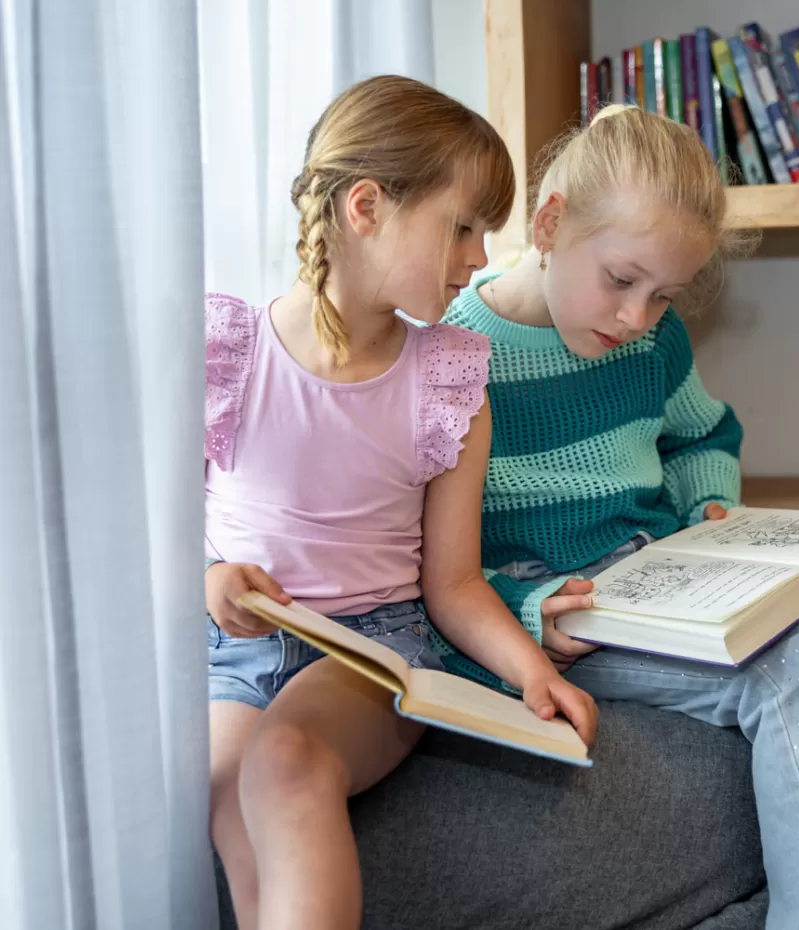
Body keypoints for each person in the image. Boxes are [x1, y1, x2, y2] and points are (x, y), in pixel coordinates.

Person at [442, 104, 799, 930]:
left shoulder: (654, 343)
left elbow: (703, 433)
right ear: (549, 223)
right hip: (576, 616)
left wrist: (711, 504)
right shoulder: (450, 355)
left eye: (664, 296)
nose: (635, 319)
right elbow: (427, 565)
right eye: (621, 281)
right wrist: (525, 620)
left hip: (679, 570)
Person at [204, 75, 598, 930]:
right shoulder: (227, 351)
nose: (480, 257)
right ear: (366, 206)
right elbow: (150, 536)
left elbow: (451, 584)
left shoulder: (449, 376)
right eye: (462, 227)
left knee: (286, 762)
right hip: (232, 657)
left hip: (370, 652)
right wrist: (210, 579)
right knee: (229, 802)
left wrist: (527, 668)